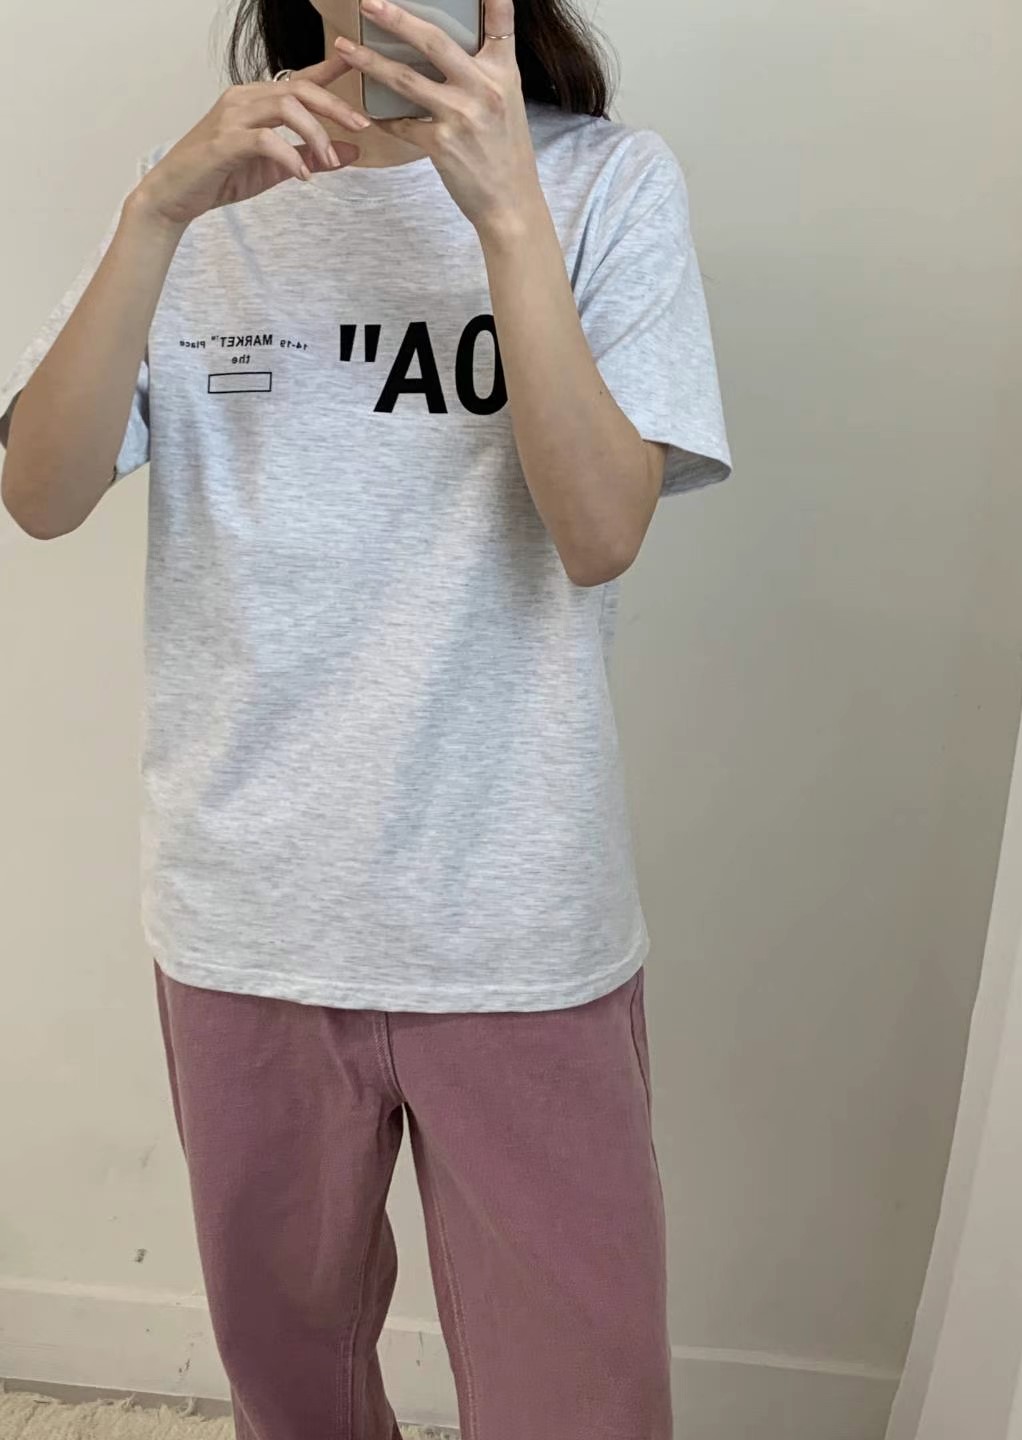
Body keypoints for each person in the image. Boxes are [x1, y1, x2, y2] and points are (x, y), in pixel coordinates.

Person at [0, 0, 730, 1435]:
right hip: (246, 919)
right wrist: (154, 216)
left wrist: (506, 216)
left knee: (580, 1400)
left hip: (512, 927)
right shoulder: (201, 190)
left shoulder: (606, 181)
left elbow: (600, 532)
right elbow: (40, 492)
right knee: (294, 1389)